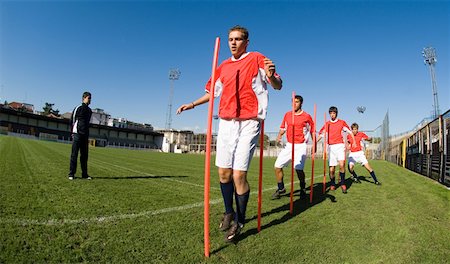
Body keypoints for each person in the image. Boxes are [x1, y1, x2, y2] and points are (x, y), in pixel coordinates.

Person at [176, 25, 282, 242]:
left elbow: (278, 85)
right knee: (223, 174)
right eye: (230, 39)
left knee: (238, 175)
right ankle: (228, 211)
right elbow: (212, 93)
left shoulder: (257, 58)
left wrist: (271, 77)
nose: (233, 43)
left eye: (237, 39)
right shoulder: (222, 66)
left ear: (246, 42)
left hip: (250, 122)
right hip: (226, 122)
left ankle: (240, 221)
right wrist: (193, 104)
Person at [271, 95, 314, 200]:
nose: (294, 104)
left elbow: (312, 131)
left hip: (301, 146)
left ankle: (303, 187)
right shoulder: (287, 115)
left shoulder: (306, 116)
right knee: (277, 166)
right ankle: (281, 188)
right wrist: (279, 135)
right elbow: (283, 127)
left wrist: (314, 145)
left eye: (297, 102)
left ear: (301, 103)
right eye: (293, 102)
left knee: (298, 170)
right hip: (289, 145)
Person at [318, 106, 356, 193]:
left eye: (333, 113)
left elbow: (350, 132)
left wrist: (353, 141)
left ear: (336, 113)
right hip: (331, 147)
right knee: (332, 169)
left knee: (342, 165)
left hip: (340, 146)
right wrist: (315, 143)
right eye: (330, 113)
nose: (332, 115)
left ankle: (342, 183)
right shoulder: (327, 124)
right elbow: (321, 135)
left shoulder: (342, 122)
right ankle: (332, 184)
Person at [68, 91, 93, 180]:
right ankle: (71, 174)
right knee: (74, 154)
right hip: (77, 134)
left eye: (91, 98)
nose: (90, 100)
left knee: (84, 156)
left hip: (85, 135)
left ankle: (84, 174)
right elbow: (72, 120)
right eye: (89, 98)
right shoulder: (78, 108)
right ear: (84, 98)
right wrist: (72, 132)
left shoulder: (90, 111)